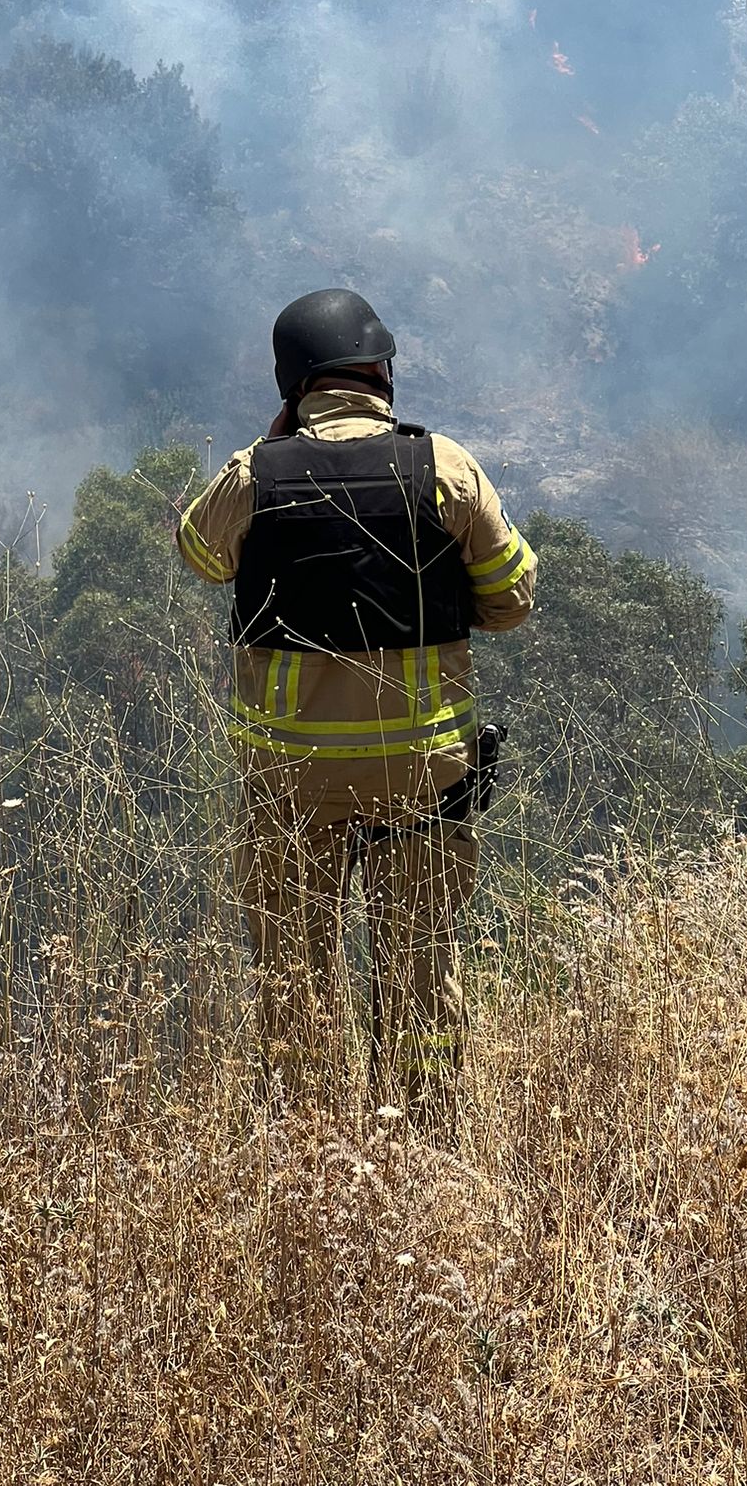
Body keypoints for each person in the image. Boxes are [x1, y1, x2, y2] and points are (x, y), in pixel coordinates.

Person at [176, 288, 536, 1136]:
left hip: (290, 781)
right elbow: (513, 597)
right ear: (381, 372)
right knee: (418, 972)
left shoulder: (253, 474)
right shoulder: (442, 466)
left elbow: (198, 553)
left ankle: (305, 1155)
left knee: (293, 977)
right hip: (421, 777)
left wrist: (269, 454)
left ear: (291, 384)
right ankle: (426, 1147)